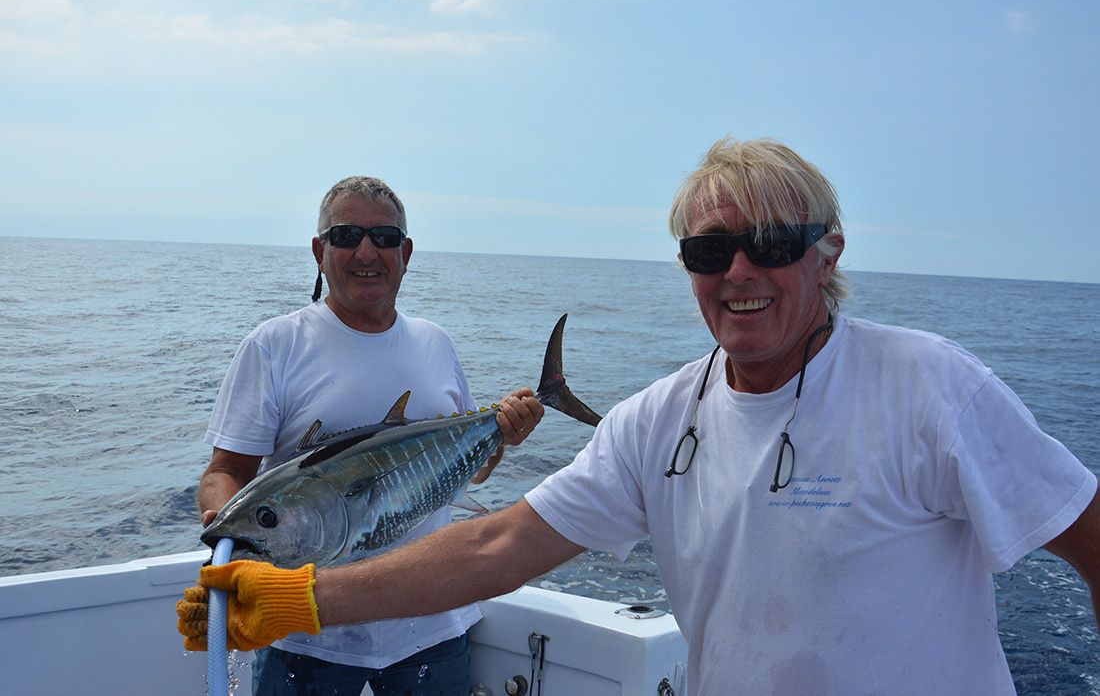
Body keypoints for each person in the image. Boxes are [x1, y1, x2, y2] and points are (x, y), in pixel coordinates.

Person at [181, 140, 1100, 694]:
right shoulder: (658, 420)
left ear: (828, 254)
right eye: (709, 248)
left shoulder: (927, 384)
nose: (738, 271)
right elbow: (496, 547)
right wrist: (300, 596)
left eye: (772, 243)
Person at [195, 175, 543, 695]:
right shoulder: (275, 345)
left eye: (383, 239)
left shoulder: (435, 343)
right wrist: (228, 535)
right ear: (319, 251)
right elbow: (226, 472)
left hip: (431, 626)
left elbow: (465, 470)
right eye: (346, 235)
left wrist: (502, 436)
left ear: (405, 253)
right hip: (305, 639)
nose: (366, 251)